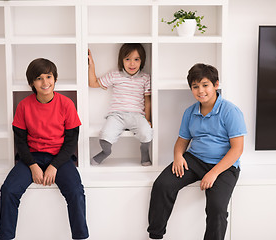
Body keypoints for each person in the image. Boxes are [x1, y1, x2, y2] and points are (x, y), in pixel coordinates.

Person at [147, 63, 247, 240]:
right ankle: (155, 234)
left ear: (216, 85)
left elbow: (237, 149)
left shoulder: (231, 111)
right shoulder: (190, 112)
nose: (200, 91)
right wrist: (178, 156)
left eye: (205, 85)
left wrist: (213, 173)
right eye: (195, 86)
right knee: (162, 185)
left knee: (216, 207)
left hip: (224, 165)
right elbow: (182, 140)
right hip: (195, 159)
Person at [0, 58, 89, 240]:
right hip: (31, 157)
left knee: (76, 191)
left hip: (60, 158)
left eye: (49, 76)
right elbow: (20, 141)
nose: (45, 82)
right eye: (39, 78)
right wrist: (32, 166)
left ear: (55, 78)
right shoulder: (24, 106)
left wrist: (54, 166)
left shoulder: (66, 104)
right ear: (31, 82)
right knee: (8, 190)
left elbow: (71, 142)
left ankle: (80, 236)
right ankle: (5, 236)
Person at [88, 43, 152, 166]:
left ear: (142, 61)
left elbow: (147, 100)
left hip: (137, 115)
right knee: (105, 135)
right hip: (117, 115)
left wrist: (148, 119)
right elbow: (93, 83)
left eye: (136, 59)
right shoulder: (115, 75)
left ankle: (144, 152)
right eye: (127, 59)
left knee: (147, 132)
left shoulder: (145, 78)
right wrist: (92, 65)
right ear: (121, 60)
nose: (132, 63)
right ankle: (105, 152)